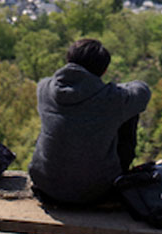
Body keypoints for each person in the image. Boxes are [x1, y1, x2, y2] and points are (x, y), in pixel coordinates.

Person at [29, 38, 151, 204]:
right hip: (97, 191)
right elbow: (143, 91)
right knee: (129, 111)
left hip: (46, 185)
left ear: (69, 60)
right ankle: (119, 176)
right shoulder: (113, 99)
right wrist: (116, 89)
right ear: (104, 70)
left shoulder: (44, 88)